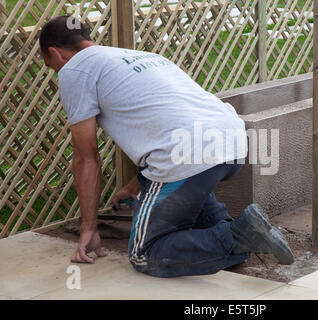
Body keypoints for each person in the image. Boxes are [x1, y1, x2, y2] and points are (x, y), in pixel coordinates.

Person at [38, 16, 294, 277]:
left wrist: (89, 228)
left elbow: (86, 159)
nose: (57, 73)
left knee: (145, 253)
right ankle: (240, 233)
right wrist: (136, 185)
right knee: (185, 177)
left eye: (52, 67)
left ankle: (236, 236)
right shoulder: (136, 56)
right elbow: (168, 122)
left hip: (186, 154)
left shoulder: (74, 69)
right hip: (232, 141)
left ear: (55, 54)